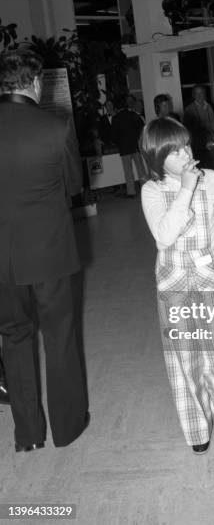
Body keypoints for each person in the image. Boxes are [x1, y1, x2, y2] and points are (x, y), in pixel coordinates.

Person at [140, 117, 214, 456]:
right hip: (174, 278)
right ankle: (197, 425)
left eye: (185, 145)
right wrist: (185, 188)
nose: (185, 154)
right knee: (184, 356)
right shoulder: (152, 190)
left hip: (211, 274)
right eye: (173, 152)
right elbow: (164, 236)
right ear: (157, 159)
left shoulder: (211, 178)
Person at [0, 49, 89, 452]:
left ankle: (28, 435)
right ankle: (67, 427)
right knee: (59, 336)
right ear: (35, 83)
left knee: (14, 337)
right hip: (50, 252)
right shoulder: (56, 126)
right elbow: (73, 186)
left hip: (2, 259)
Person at [111, 94, 146, 197]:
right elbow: (141, 129)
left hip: (124, 148)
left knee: (128, 171)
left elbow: (114, 135)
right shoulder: (133, 115)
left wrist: (119, 143)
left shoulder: (116, 117)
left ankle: (131, 192)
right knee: (141, 170)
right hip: (135, 147)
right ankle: (145, 189)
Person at [183, 85, 214, 171]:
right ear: (193, 95)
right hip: (198, 146)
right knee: (201, 170)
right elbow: (189, 129)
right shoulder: (189, 109)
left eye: (202, 93)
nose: (200, 95)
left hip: (211, 143)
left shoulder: (209, 106)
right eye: (197, 93)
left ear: (205, 94)